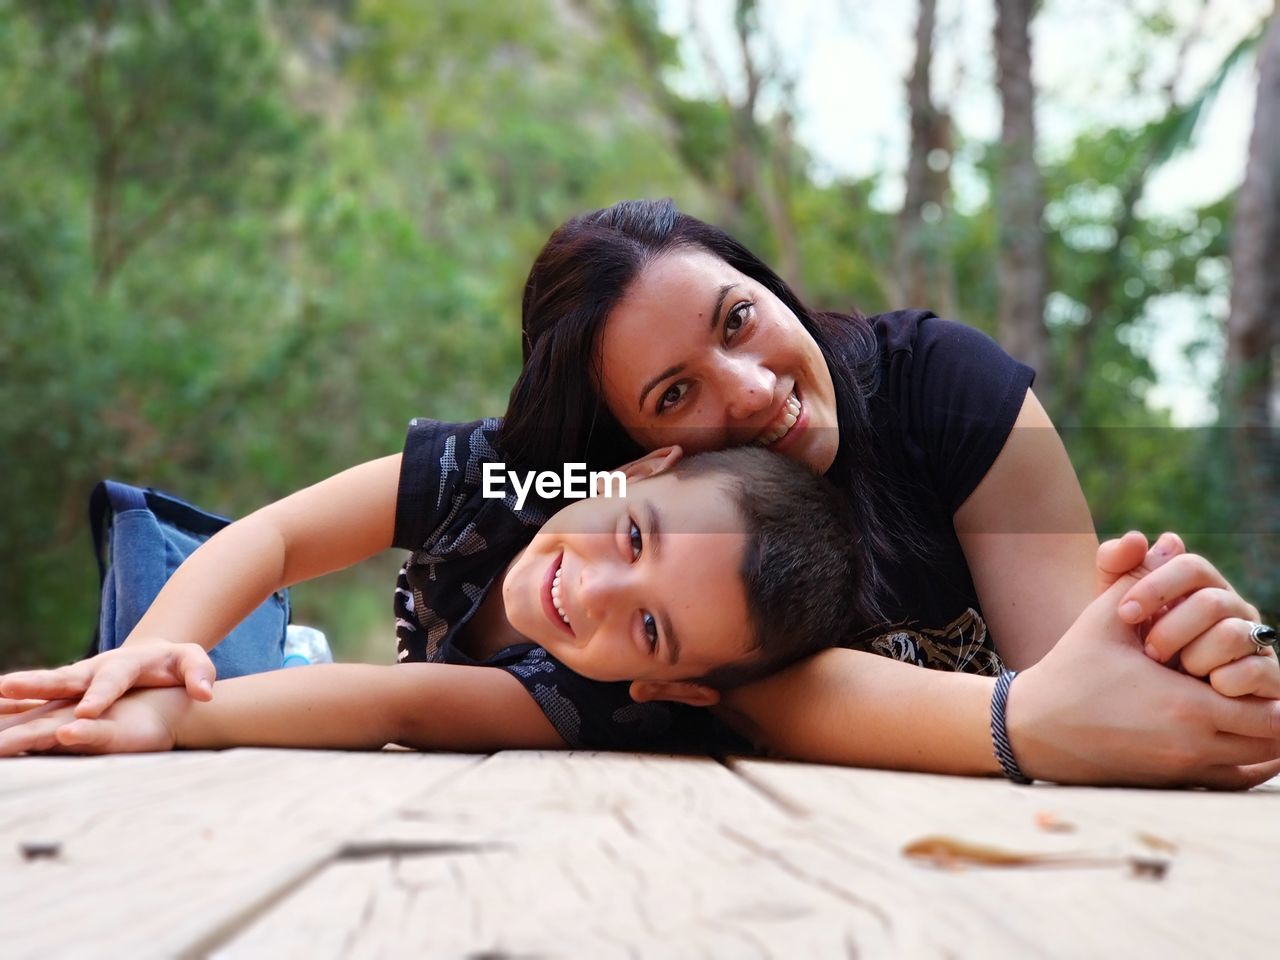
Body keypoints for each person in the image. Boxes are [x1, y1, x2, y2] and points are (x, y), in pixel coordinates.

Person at [495, 198, 1280, 787]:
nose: (753, 388)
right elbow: (754, 699)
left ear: (769, 287)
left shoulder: (946, 386)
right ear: (641, 459)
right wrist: (1029, 722)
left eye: (736, 320)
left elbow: (1098, 698)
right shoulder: (627, 563)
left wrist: (1199, 652)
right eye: (674, 395)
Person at [0, 431, 873, 754]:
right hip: (240, 585)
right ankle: (249, 643)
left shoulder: (601, 702)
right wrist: (143, 656)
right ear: (635, 468)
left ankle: (279, 657)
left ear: (668, 685)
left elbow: (398, 703)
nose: (596, 589)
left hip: (354, 681)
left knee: (163, 698)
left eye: (649, 627)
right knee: (162, 565)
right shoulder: (511, 472)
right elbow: (277, 536)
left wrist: (165, 718)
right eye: (635, 535)